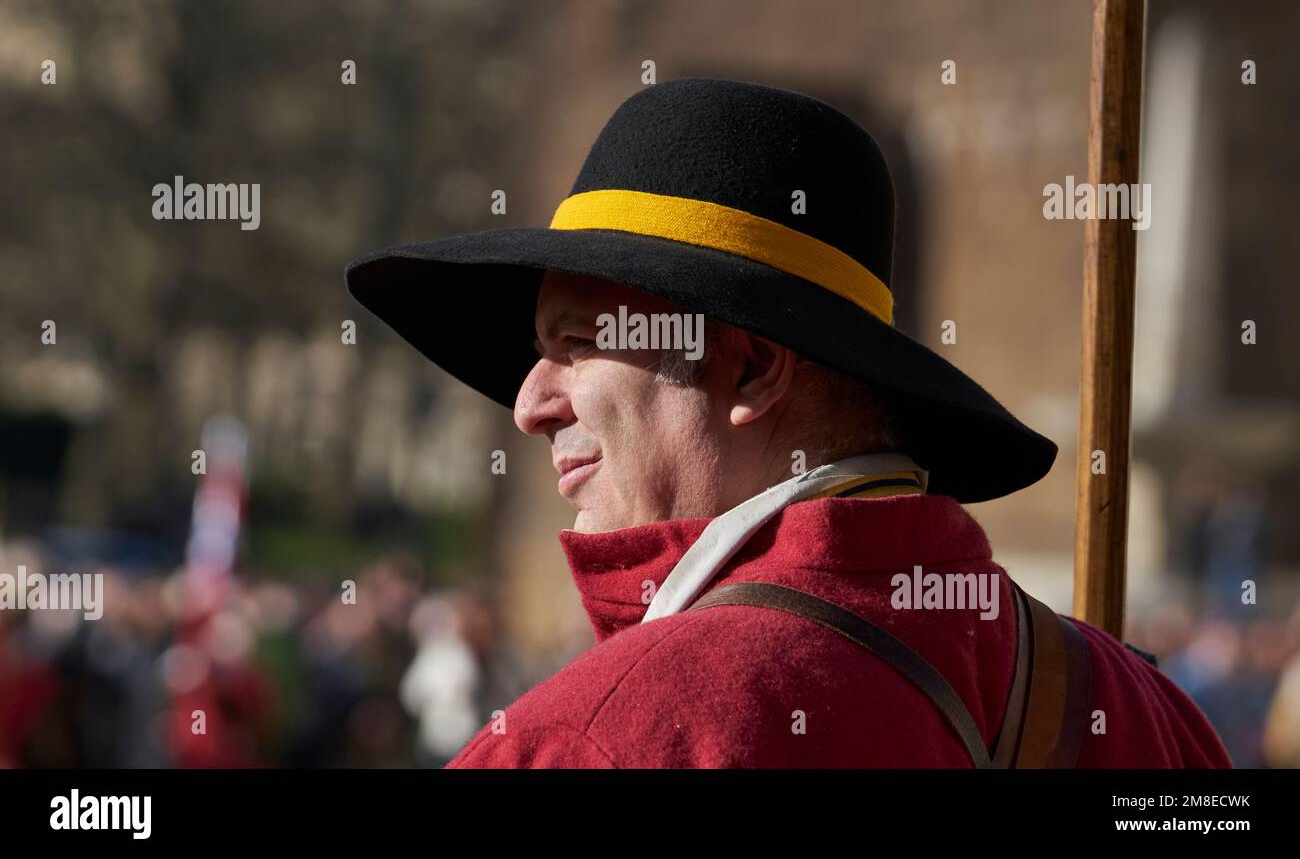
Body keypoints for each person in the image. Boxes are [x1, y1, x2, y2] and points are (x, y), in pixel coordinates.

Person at [345, 77, 1231, 767]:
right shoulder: (1141, 708)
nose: (531, 403)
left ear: (755, 366)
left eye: (578, 343)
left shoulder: (592, 739)